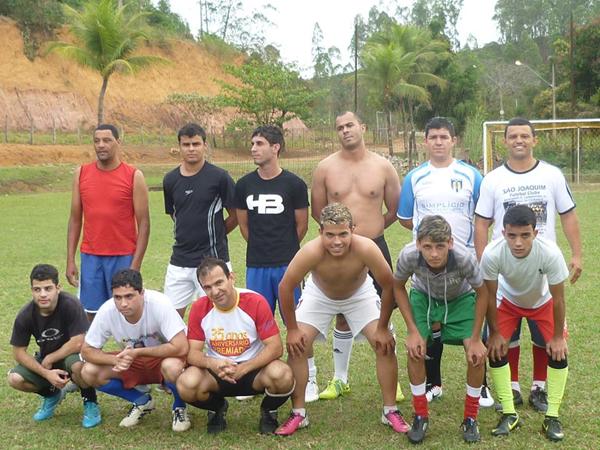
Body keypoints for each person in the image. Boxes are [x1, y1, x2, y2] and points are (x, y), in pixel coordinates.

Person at [475, 117, 582, 412]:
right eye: (513, 136)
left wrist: (577, 254)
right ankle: (511, 387)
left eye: (525, 135)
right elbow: (481, 222)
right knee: (502, 337)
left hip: (541, 272)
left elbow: (568, 215)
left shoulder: (552, 174)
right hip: (505, 270)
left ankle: (539, 387)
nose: (519, 140)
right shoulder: (493, 179)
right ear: (504, 141)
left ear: (535, 139)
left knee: (542, 335)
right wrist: (483, 260)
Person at [274, 203, 407, 436]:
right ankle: (298, 413)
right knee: (298, 345)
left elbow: (389, 285)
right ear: (320, 232)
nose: (337, 241)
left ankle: (390, 411)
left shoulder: (366, 248)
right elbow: (285, 286)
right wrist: (293, 330)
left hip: (359, 294)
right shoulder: (311, 251)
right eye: (330, 235)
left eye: (343, 234)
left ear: (353, 230)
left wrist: (383, 327)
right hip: (319, 294)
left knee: (385, 344)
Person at [397, 117, 493, 407]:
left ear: (454, 140)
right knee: (430, 322)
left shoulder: (472, 175)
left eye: (444, 137)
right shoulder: (414, 177)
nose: (438, 142)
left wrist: (459, 247)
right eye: (433, 137)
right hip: (427, 263)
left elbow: (483, 216)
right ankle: (432, 382)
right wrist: (430, 243)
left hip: (463, 262)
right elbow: (406, 219)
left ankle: (482, 385)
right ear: (425, 141)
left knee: (474, 323)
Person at [310, 111, 401, 402]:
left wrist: (370, 232)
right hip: (338, 251)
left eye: (350, 125)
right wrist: (342, 238)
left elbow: (394, 210)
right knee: (342, 312)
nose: (345, 130)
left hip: (375, 246)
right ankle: (340, 378)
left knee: (384, 311)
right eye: (339, 127)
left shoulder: (383, 166)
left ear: (362, 126)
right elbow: (318, 212)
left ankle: (394, 380)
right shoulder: (325, 168)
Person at [393, 215, 489, 443]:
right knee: (415, 350)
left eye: (440, 246)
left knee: (476, 356)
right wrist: (412, 331)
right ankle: (420, 415)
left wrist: (476, 338)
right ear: (418, 244)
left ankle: (470, 418)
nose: (434, 254)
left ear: (450, 243)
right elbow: (397, 286)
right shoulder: (408, 255)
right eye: (427, 247)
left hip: (460, 299)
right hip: (423, 296)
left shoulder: (464, 258)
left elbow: (483, 292)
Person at [176, 257, 295, 435]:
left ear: (231, 277)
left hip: (254, 371)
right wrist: (212, 363)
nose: (215, 291)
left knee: (282, 375)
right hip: (218, 371)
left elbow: (275, 347)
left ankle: (268, 411)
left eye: (219, 283)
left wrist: (244, 368)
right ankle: (217, 408)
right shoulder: (199, 307)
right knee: (186, 384)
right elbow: (192, 353)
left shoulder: (255, 301)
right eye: (207, 287)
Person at [483, 205, 570, 441]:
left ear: (535, 233)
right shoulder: (492, 253)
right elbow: (489, 296)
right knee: (495, 348)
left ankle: (552, 416)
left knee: (559, 352)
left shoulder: (550, 253)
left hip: (543, 302)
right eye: (512, 236)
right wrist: (494, 333)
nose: (518, 242)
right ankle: (509, 413)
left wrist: (558, 337)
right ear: (503, 233)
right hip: (507, 302)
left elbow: (559, 299)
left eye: (525, 235)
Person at [80, 269, 190, 432]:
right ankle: (141, 401)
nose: (123, 303)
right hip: (132, 361)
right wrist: (115, 360)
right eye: (118, 297)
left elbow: (181, 346)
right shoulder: (107, 310)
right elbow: (87, 350)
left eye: (129, 296)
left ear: (142, 293)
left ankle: (179, 407)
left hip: (163, 360)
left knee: (172, 367)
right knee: (89, 371)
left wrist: (138, 352)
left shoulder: (160, 303)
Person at [66, 124, 150, 321]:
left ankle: (131, 343)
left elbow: (144, 224)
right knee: (91, 314)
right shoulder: (81, 173)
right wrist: (70, 259)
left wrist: (135, 265)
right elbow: (75, 219)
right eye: (97, 141)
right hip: (91, 257)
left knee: (126, 312)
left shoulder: (133, 176)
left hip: (123, 257)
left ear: (118, 142)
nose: (101, 145)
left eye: (107, 140)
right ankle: (92, 343)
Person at [8, 264, 101, 428]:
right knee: (15, 379)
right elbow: (18, 353)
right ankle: (52, 395)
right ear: (32, 290)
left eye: (48, 288)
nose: (43, 294)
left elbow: (78, 341)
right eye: (37, 289)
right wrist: (46, 373)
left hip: (71, 356)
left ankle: (90, 402)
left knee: (79, 366)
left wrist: (51, 358)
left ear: (58, 288)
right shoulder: (25, 315)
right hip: (46, 361)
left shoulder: (70, 304)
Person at [163, 123, 237, 318]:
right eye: (186, 144)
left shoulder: (220, 177)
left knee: (219, 316)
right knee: (170, 318)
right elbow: (175, 214)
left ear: (205, 145)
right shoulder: (170, 179)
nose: (191, 149)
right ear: (179, 147)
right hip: (180, 260)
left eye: (196, 144)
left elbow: (235, 215)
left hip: (213, 259)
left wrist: (217, 233)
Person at [234, 125, 308, 316]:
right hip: (256, 264)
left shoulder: (295, 184)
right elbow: (244, 225)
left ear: (275, 147)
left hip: (288, 263)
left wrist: (284, 247)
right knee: (258, 320)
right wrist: (261, 246)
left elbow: (302, 225)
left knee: (296, 320)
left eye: (259, 144)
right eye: (252, 144)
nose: (253, 149)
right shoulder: (243, 185)